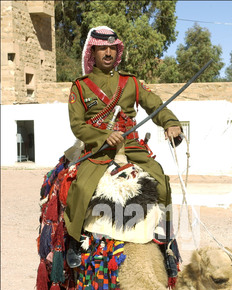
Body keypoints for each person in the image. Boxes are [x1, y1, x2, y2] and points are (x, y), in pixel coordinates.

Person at [64, 26, 182, 268]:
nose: (108, 52)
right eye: (102, 48)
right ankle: (72, 242)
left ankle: (167, 242)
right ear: (92, 52)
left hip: (130, 146)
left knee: (161, 179)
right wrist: (104, 135)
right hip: (98, 148)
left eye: (112, 48)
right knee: (82, 187)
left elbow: (156, 106)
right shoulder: (80, 86)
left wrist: (170, 123)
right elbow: (78, 126)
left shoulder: (131, 83)